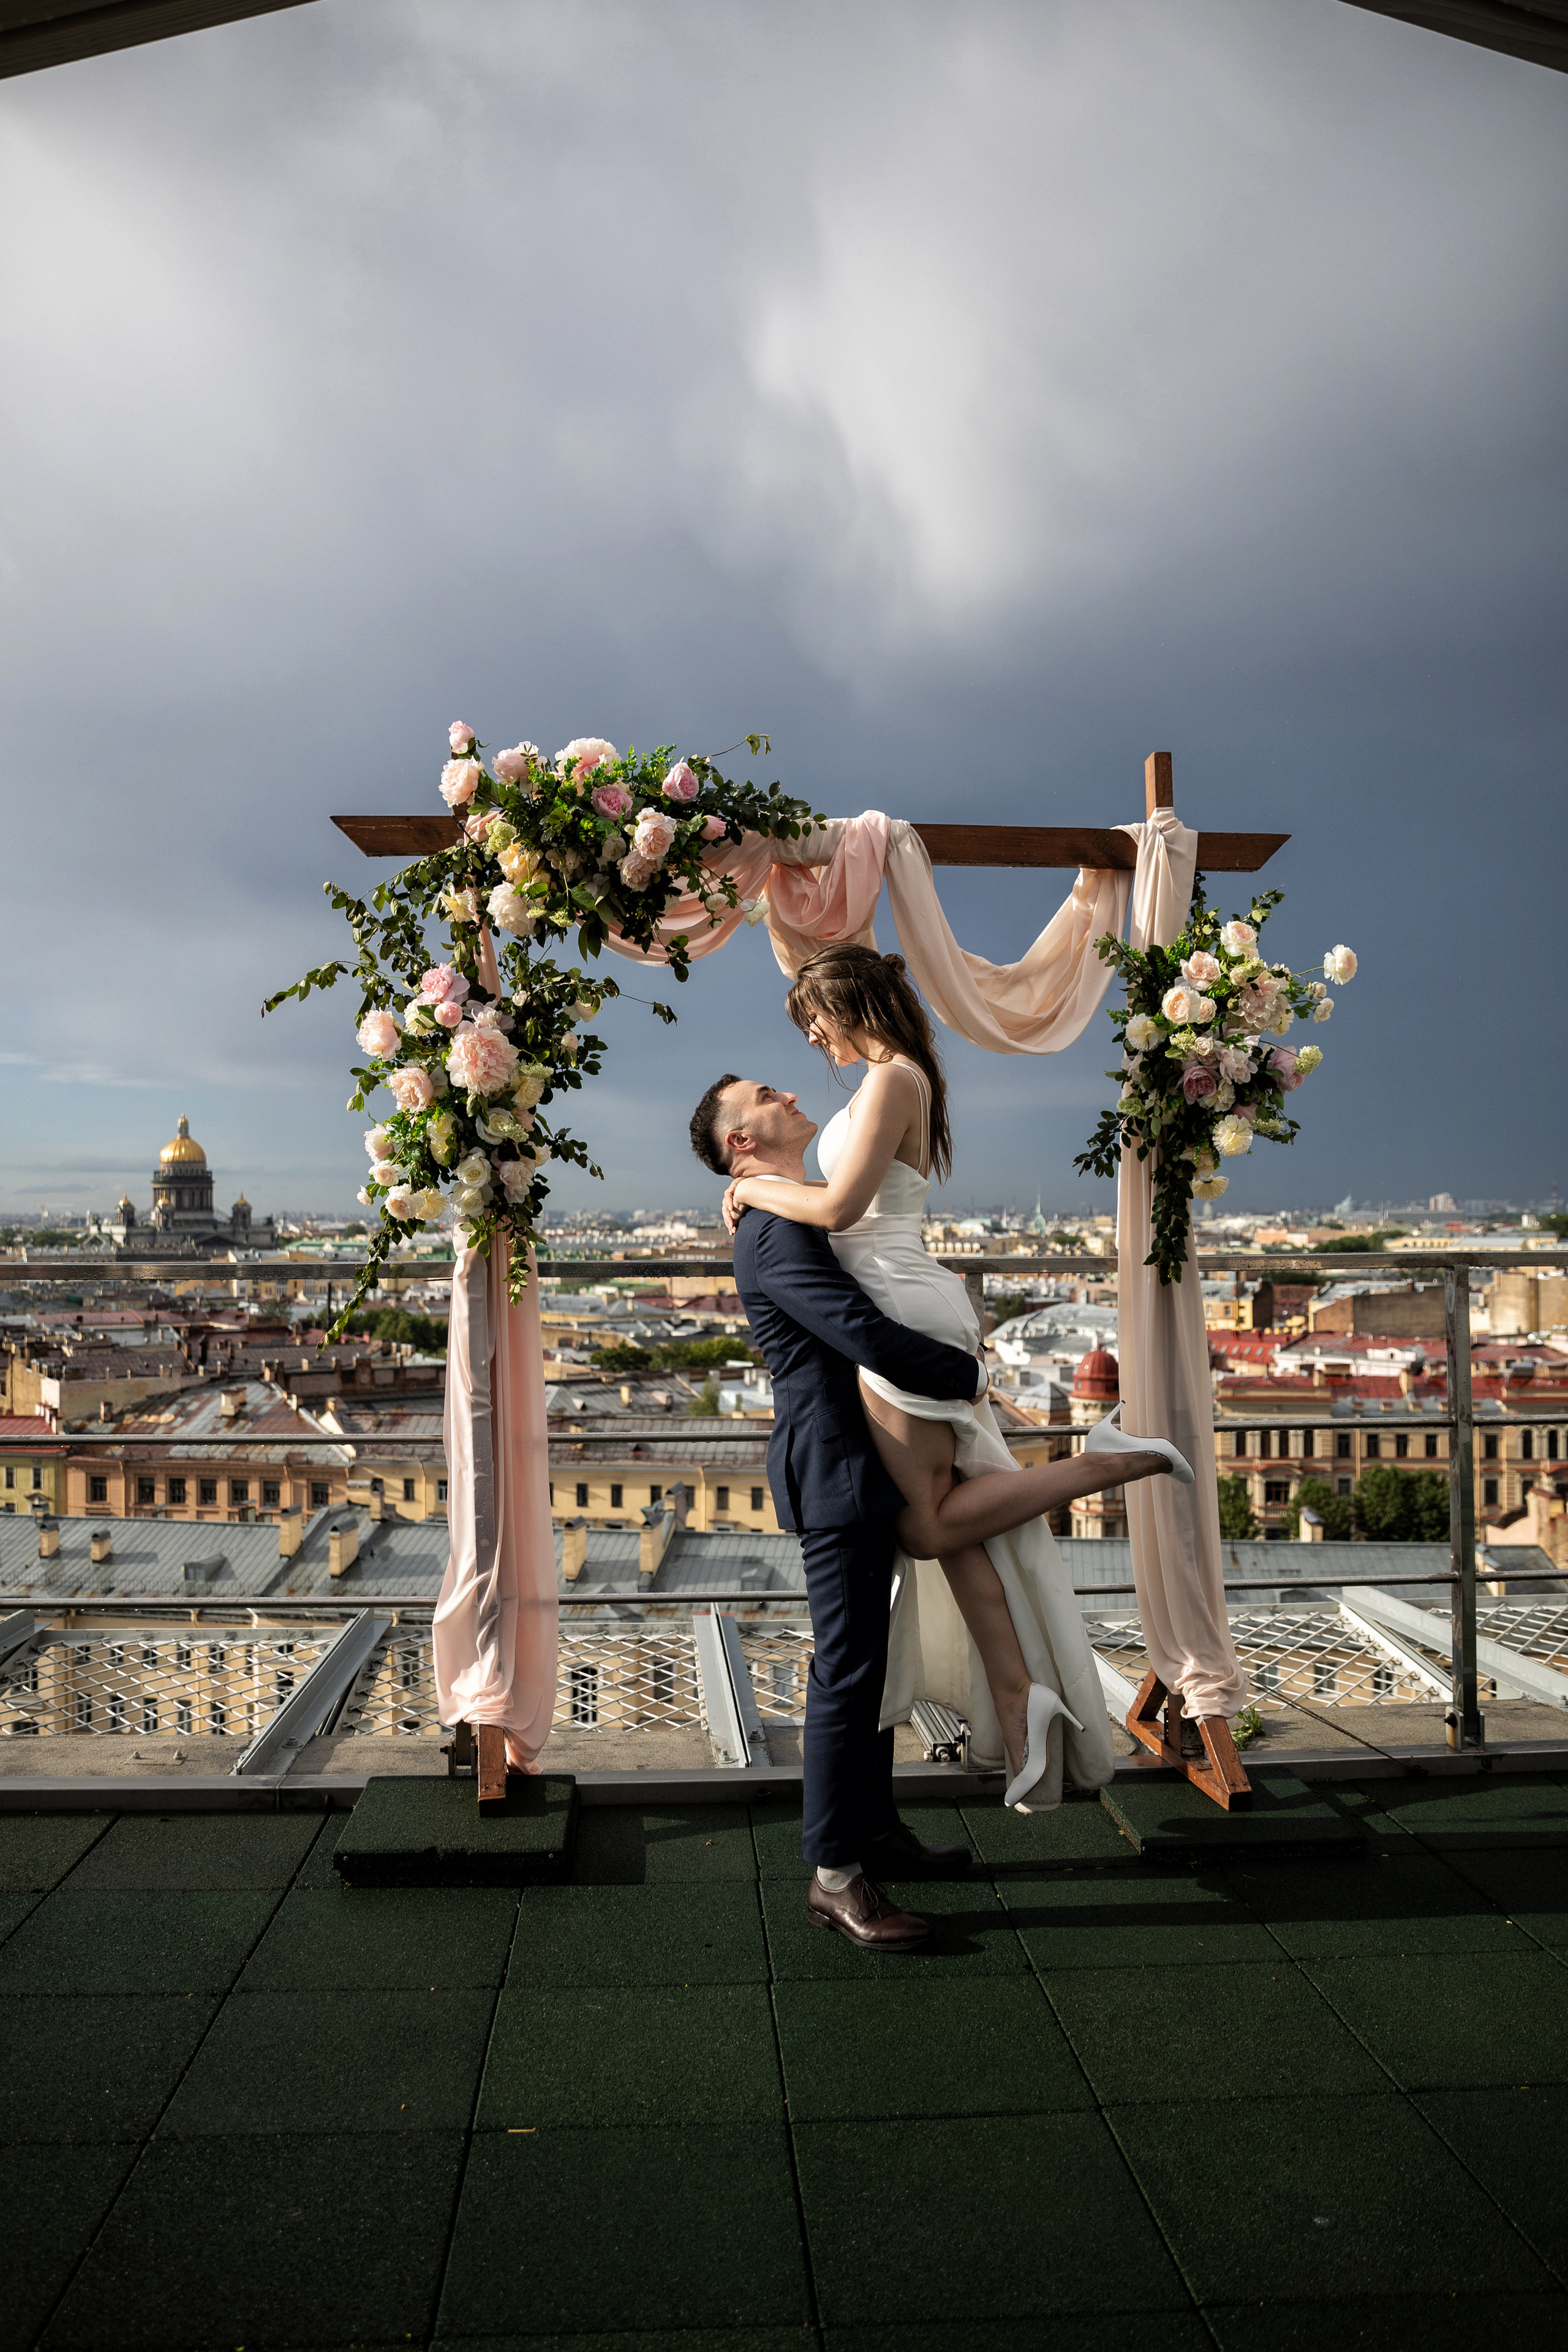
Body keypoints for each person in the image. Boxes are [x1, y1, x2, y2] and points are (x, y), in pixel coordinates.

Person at [716, 942, 1191, 1811]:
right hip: (909, 1297)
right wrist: (756, 1184)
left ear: (850, 1005)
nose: (815, 1044)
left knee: (931, 1528)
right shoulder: (899, 1079)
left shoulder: (893, 1081)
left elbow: (835, 1209)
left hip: (899, 1311)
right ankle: (1017, 1695)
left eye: (817, 1022)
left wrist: (751, 1188)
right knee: (953, 1520)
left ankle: (1105, 1461)